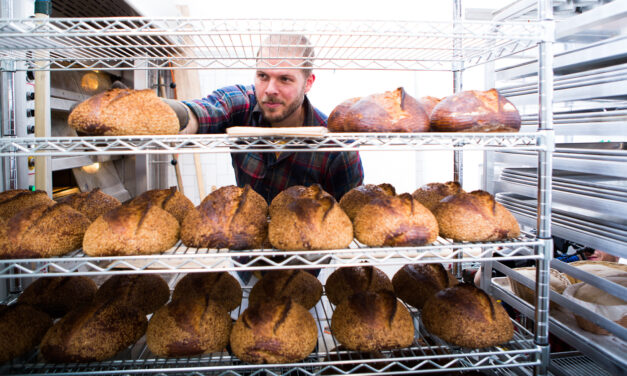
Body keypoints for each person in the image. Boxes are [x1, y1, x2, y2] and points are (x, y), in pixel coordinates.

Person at [170, 33, 364, 203]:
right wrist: (164, 114)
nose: (270, 89)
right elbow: (201, 113)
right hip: (246, 237)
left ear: (308, 83)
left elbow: (349, 217)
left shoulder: (338, 147)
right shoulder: (242, 104)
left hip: (304, 243)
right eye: (263, 76)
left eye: (284, 79)